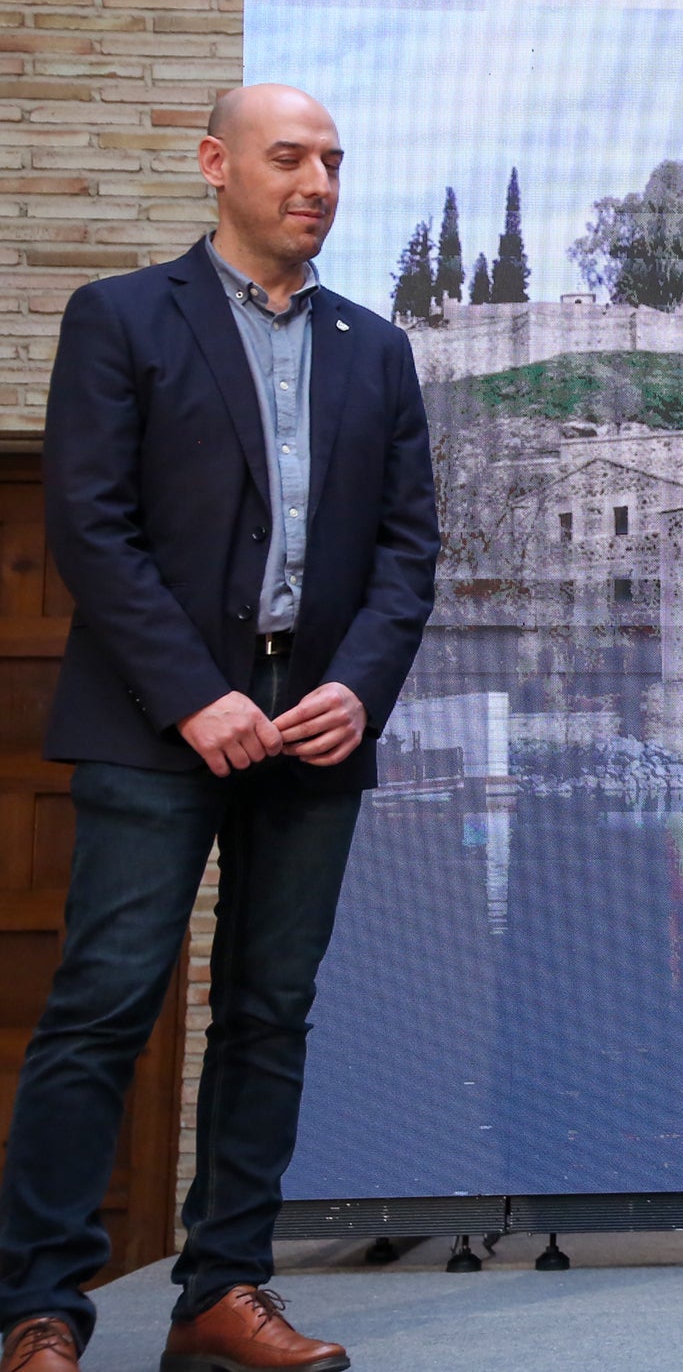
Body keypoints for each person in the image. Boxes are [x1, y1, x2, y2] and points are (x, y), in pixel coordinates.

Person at [0, 87, 438, 1372]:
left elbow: (408, 552)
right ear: (214, 165)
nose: (318, 182)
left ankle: (220, 1293)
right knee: (103, 1008)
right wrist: (198, 695)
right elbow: (90, 526)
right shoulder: (122, 316)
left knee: (270, 1011)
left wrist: (358, 685)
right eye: (290, 157)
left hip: (315, 730)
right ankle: (40, 1308)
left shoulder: (376, 347)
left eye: (334, 162)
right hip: (156, 724)